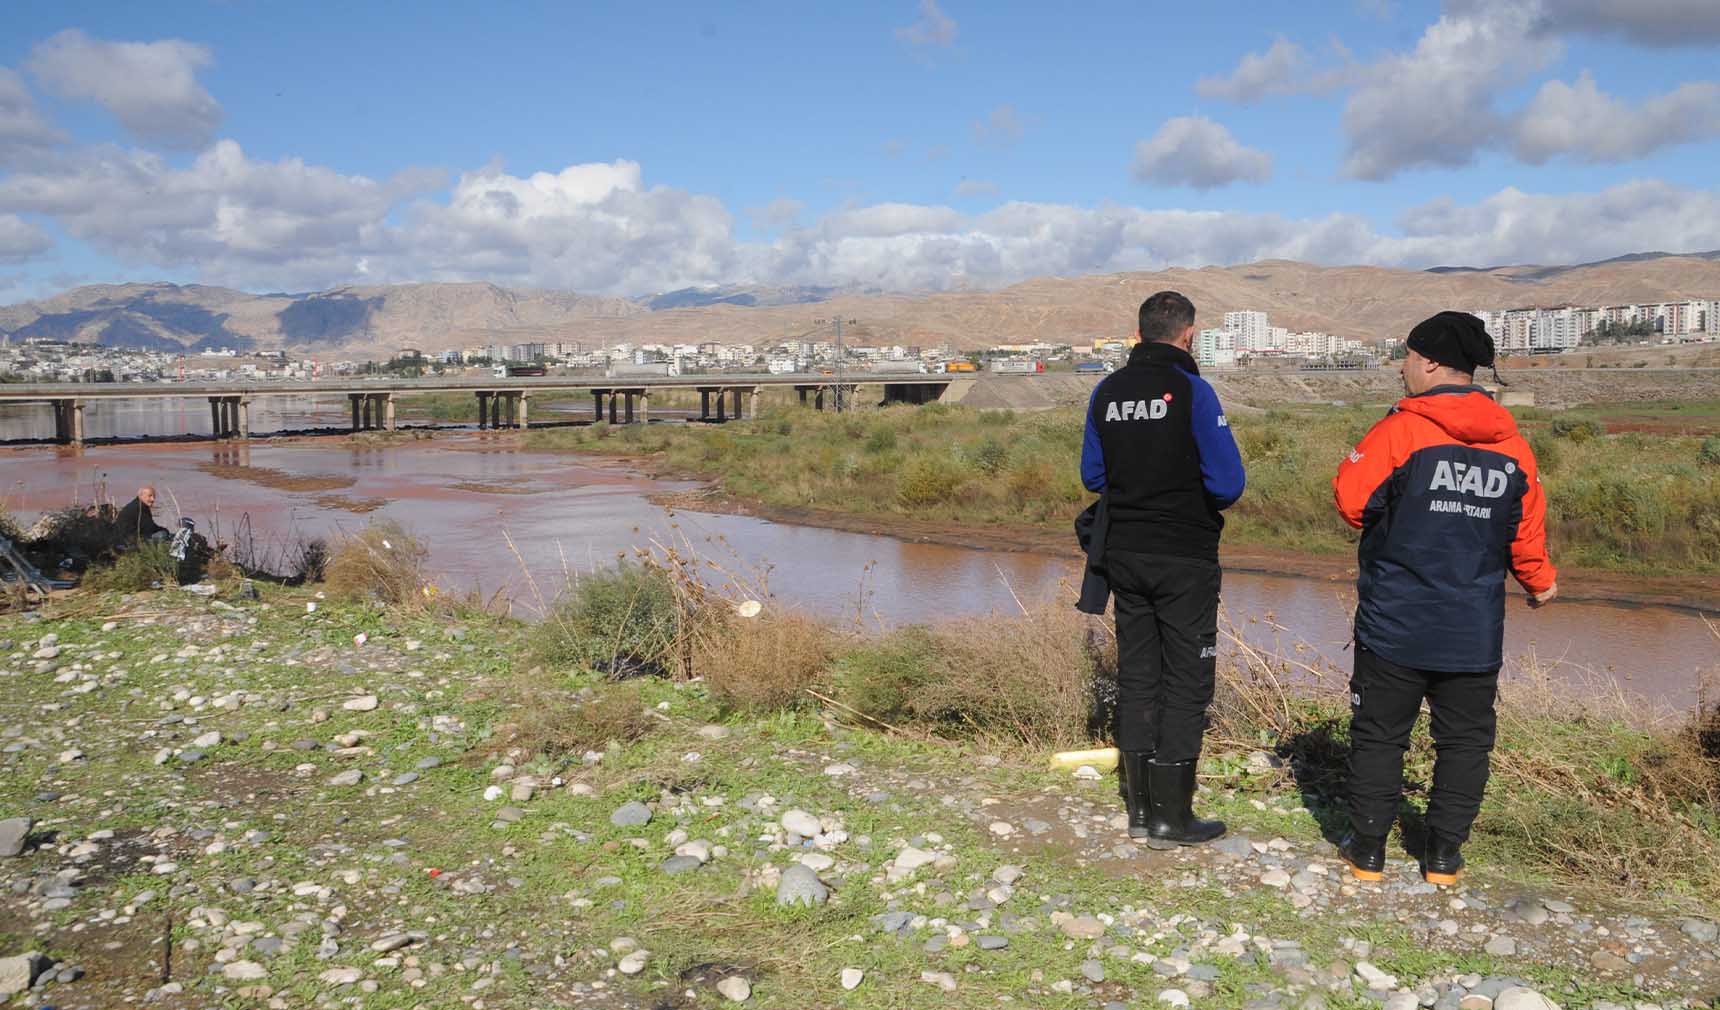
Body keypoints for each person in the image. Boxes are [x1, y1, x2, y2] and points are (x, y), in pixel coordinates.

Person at [1332, 311, 1557, 886]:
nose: (1402, 367)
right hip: (1472, 630)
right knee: (1464, 743)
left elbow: (1351, 501)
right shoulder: (1515, 445)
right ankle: (1443, 859)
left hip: (1394, 624)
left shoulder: (1399, 432)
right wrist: (1538, 582)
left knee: (1381, 735)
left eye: (1406, 356)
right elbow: (1526, 530)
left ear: (1429, 362)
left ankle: (1369, 854)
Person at [1080, 291, 1246, 848]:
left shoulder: (1107, 391)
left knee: (1139, 673)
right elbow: (1227, 484)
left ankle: (1139, 812)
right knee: (1186, 678)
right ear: (1189, 334)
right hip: (1183, 554)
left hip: (1123, 553)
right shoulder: (1194, 391)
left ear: (1141, 332)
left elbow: (1093, 475)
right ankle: (1174, 819)